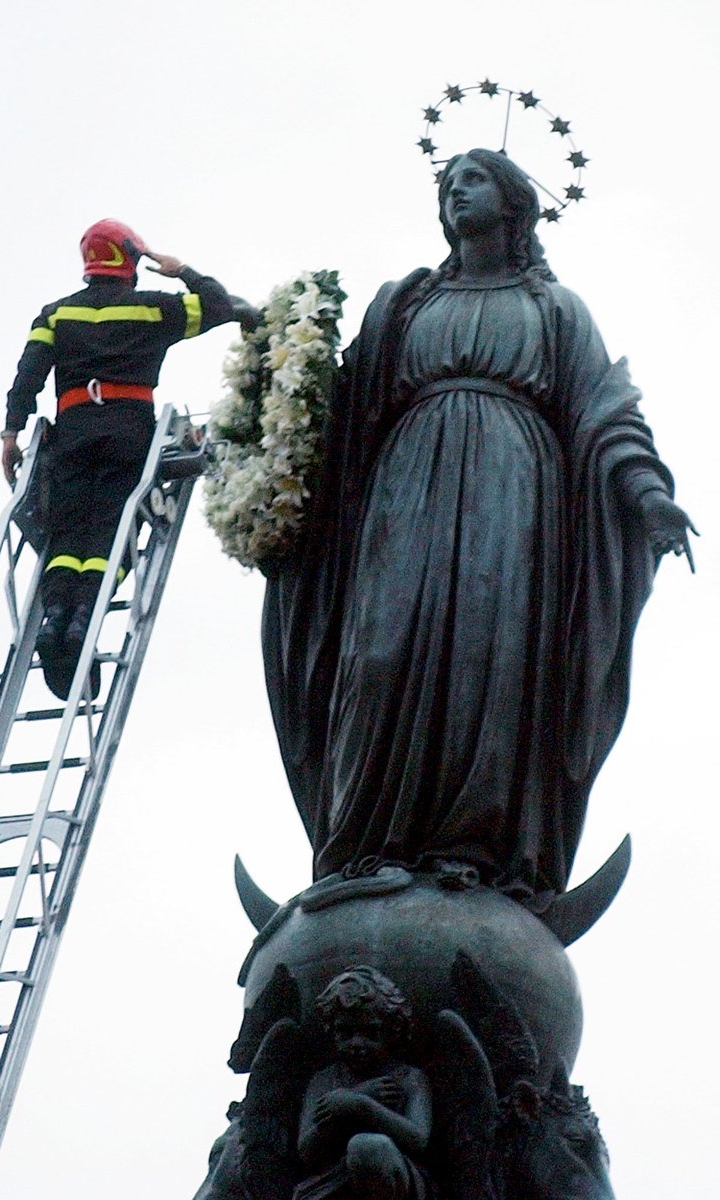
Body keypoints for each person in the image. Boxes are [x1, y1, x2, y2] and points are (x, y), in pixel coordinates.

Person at [262, 150, 695, 904]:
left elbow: (604, 411)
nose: (457, 191)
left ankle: (473, 845)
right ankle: (367, 843)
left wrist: (645, 492)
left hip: (514, 490)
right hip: (403, 489)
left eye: (473, 179)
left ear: (512, 202)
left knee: (486, 658)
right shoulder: (404, 303)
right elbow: (335, 414)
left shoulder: (555, 310)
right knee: (378, 653)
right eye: (447, 184)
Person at [2, 218, 249, 695]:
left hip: (70, 437)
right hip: (127, 435)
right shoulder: (153, 309)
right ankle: (82, 623)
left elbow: (27, 375)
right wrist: (180, 270)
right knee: (115, 535)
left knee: (68, 535)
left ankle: (55, 618)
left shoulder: (56, 316)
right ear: (131, 258)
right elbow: (218, 305)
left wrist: (11, 433)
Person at [296, 967, 433, 1200]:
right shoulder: (324, 1080)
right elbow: (307, 1150)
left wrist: (360, 1105)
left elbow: (418, 1139)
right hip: (331, 1184)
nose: (357, 1043)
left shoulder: (409, 1078)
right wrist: (354, 1099)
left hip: (395, 1181)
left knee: (369, 1148)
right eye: (345, 1033)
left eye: (371, 1032)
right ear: (331, 1030)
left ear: (392, 1030)